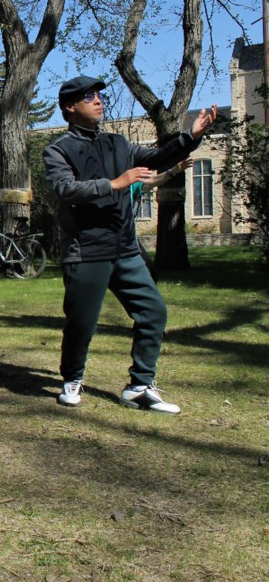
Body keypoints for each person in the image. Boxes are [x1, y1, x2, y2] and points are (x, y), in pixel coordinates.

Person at [43, 75, 217, 414]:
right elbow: (65, 189)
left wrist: (191, 137)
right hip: (87, 251)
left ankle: (139, 386)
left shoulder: (118, 144)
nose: (98, 100)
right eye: (88, 96)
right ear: (69, 106)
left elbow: (156, 157)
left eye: (98, 95)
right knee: (81, 323)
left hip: (125, 249)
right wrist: (115, 183)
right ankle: (72, 379)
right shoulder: (58, 150)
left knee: (154, 312)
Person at [130, 157, 194, 282]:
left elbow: (153, 180)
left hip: (129, 239)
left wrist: (174, 171)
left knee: (150, 274)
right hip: (104, 242)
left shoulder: (130, 186)